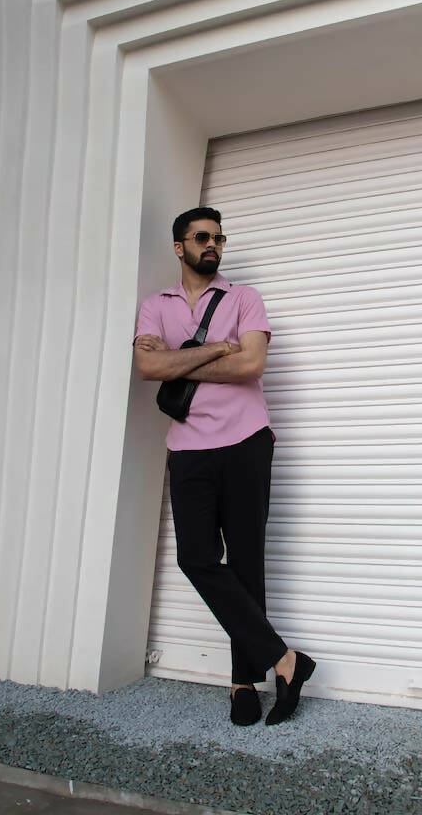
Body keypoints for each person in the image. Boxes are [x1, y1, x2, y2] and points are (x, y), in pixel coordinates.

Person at [134, 206, 315, 726]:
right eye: (201, 237)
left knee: (245, 562)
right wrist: (217, 348)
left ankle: (243, 683)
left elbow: (251, 364)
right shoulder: (155, 307)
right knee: (196, 558)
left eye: (218, 238)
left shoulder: (244, 298)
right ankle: (285, 661)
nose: (212, 245)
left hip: (245, 442)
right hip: (188, 447)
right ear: (179, 246)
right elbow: (148, 366)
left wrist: (181, 357)